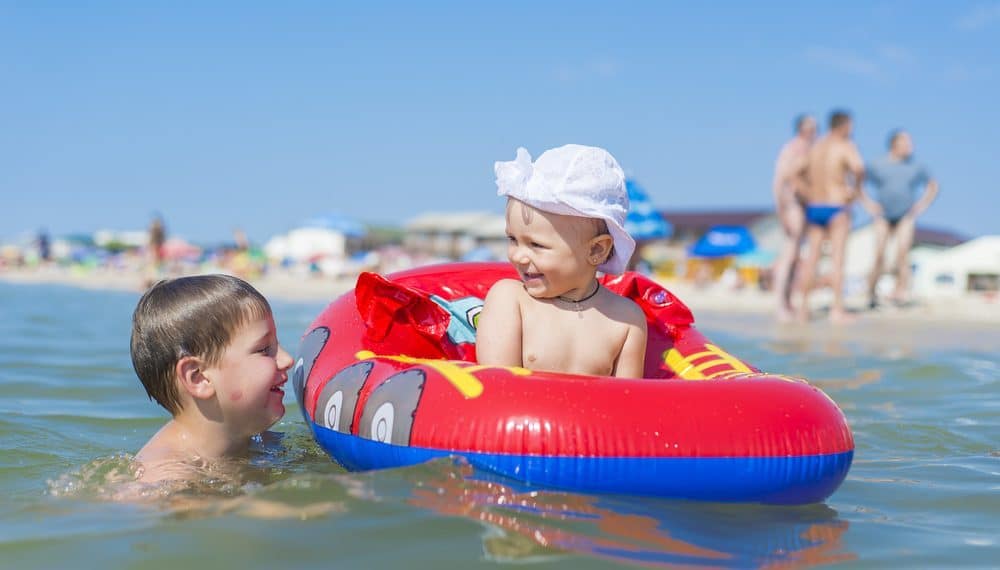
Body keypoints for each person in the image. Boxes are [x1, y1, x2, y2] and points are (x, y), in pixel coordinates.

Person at [476, 145, 648, 378]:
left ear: (597, 249)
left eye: (536, 245)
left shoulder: (626, 320)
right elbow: (497, 387)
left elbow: (629, 403)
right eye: (513, 239)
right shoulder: (510, 300)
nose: (517, 256)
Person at [129, 274, 293, 484]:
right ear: (198, 377)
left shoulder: (261, 441)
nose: (287, 359)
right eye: (263, 349)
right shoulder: (170, 477)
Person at [794, 110, 865, 324]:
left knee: (812, 260)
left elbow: (795, 174)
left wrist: (806, 193)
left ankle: (803, 309)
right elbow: (859, 168)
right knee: (837, 259)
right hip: (836, 206)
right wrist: (855, 190)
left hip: (815, 206)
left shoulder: (815, 146)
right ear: (843, 126)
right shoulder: (845, 146)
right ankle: (836, 310)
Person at [861, 130, 939, 307]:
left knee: (902, 254)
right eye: (906, 143)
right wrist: (868, 203)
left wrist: (921, 206)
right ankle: (871, 293)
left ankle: (901, 293)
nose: (910, 147)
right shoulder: (877, 164)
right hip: (882, 214)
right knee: (879, 254)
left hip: (905, 215)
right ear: (894, 145)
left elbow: (933, 186)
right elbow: (859, 182)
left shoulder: (916, 166)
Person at [771, 114, 818, 322]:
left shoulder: (810, 148)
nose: (815, 130)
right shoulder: (795, 148)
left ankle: (788, 301)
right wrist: (781, 210)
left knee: (796, 255)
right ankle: (780, 303)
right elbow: (781, 179)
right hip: (793, 205)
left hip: (804, 205)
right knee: (789, 255)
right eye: (811, 126)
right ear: (801, 128)